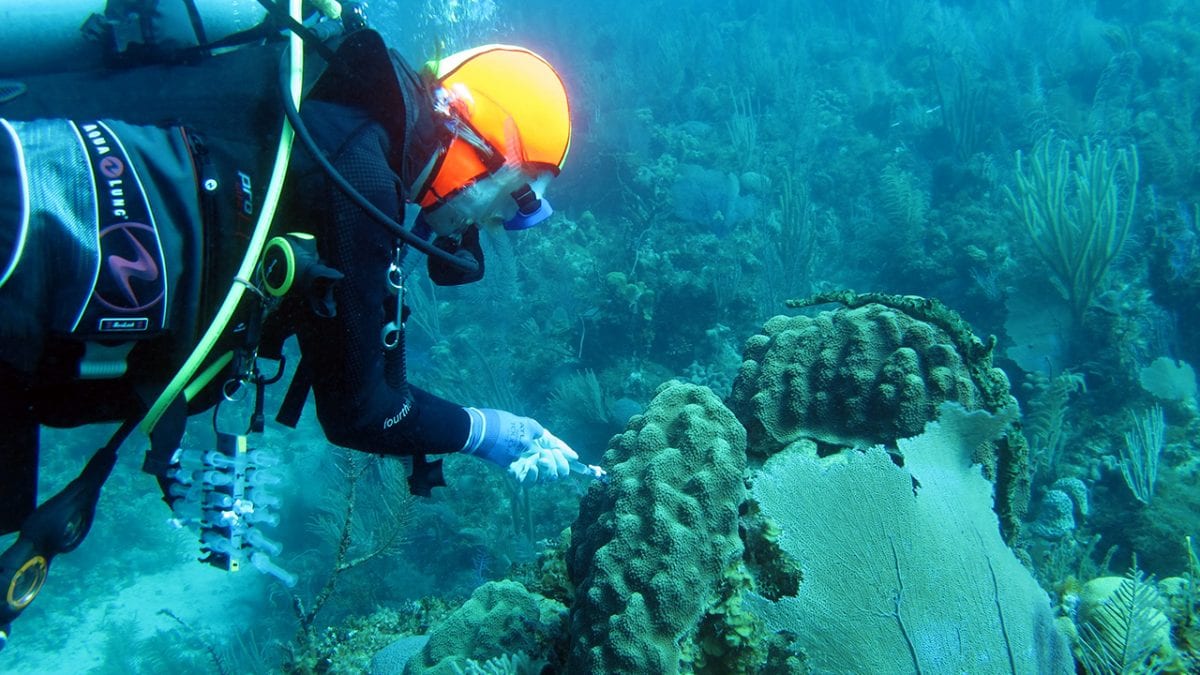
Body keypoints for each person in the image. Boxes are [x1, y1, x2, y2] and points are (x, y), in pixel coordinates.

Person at [0, 1, 601, 649]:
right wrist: (488, 431)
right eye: (515, 196)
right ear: (475, 139)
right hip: (32, 252)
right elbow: (364, 410)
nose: (498, 225)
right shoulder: (361, 173)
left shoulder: (332, 124)